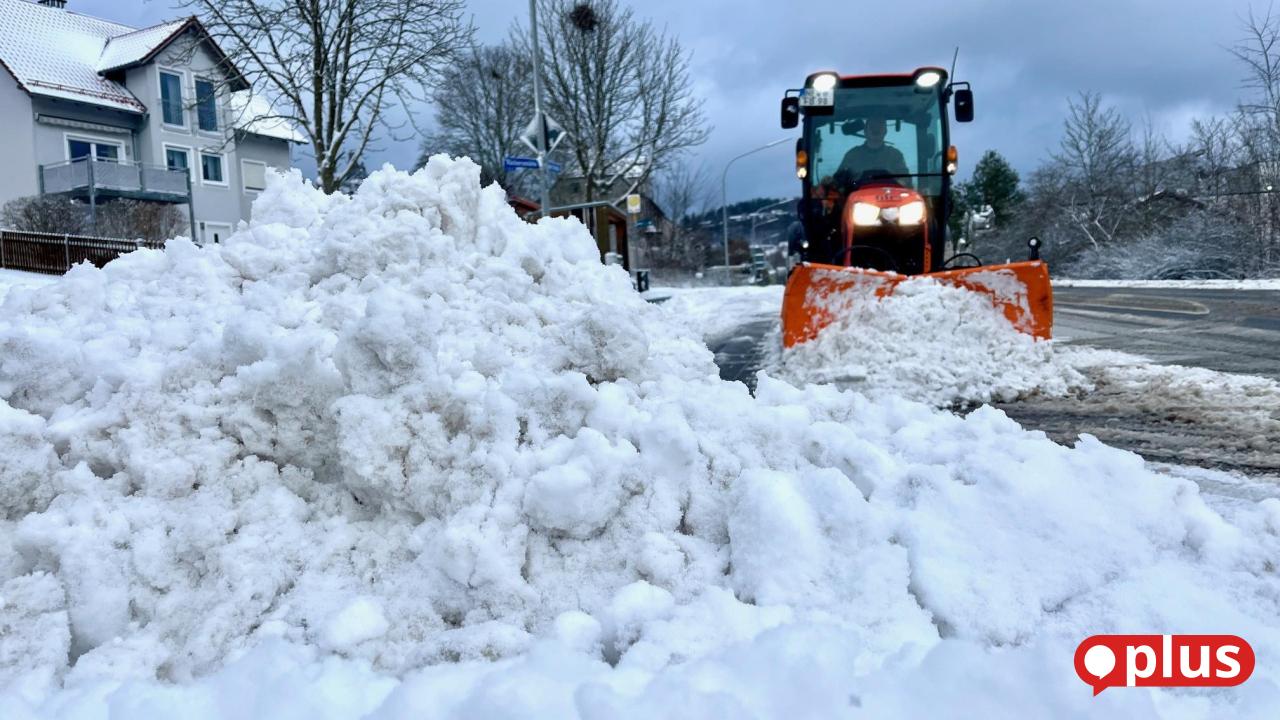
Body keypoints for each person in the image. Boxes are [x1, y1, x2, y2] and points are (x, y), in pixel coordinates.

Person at [836, 117, 909, 183]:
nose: (876, 129)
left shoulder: (895, 155)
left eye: (880, 126)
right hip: (859, 196)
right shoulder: (852, 155)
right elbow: (839, 181)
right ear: (865, 131)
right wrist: (829, 181)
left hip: (890, 196)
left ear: (885, 131)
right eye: (872, 127)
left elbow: (905, 180)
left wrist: (901, 182)